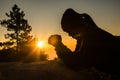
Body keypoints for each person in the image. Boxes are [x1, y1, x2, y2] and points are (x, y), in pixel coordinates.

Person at [48, 8, 120, 77]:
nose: (69, 35)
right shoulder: (87, 34)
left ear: (76, 26)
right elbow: (75, 56)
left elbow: (76, 64)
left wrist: (58, 45)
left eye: (69, 31)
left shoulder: (91, 37)